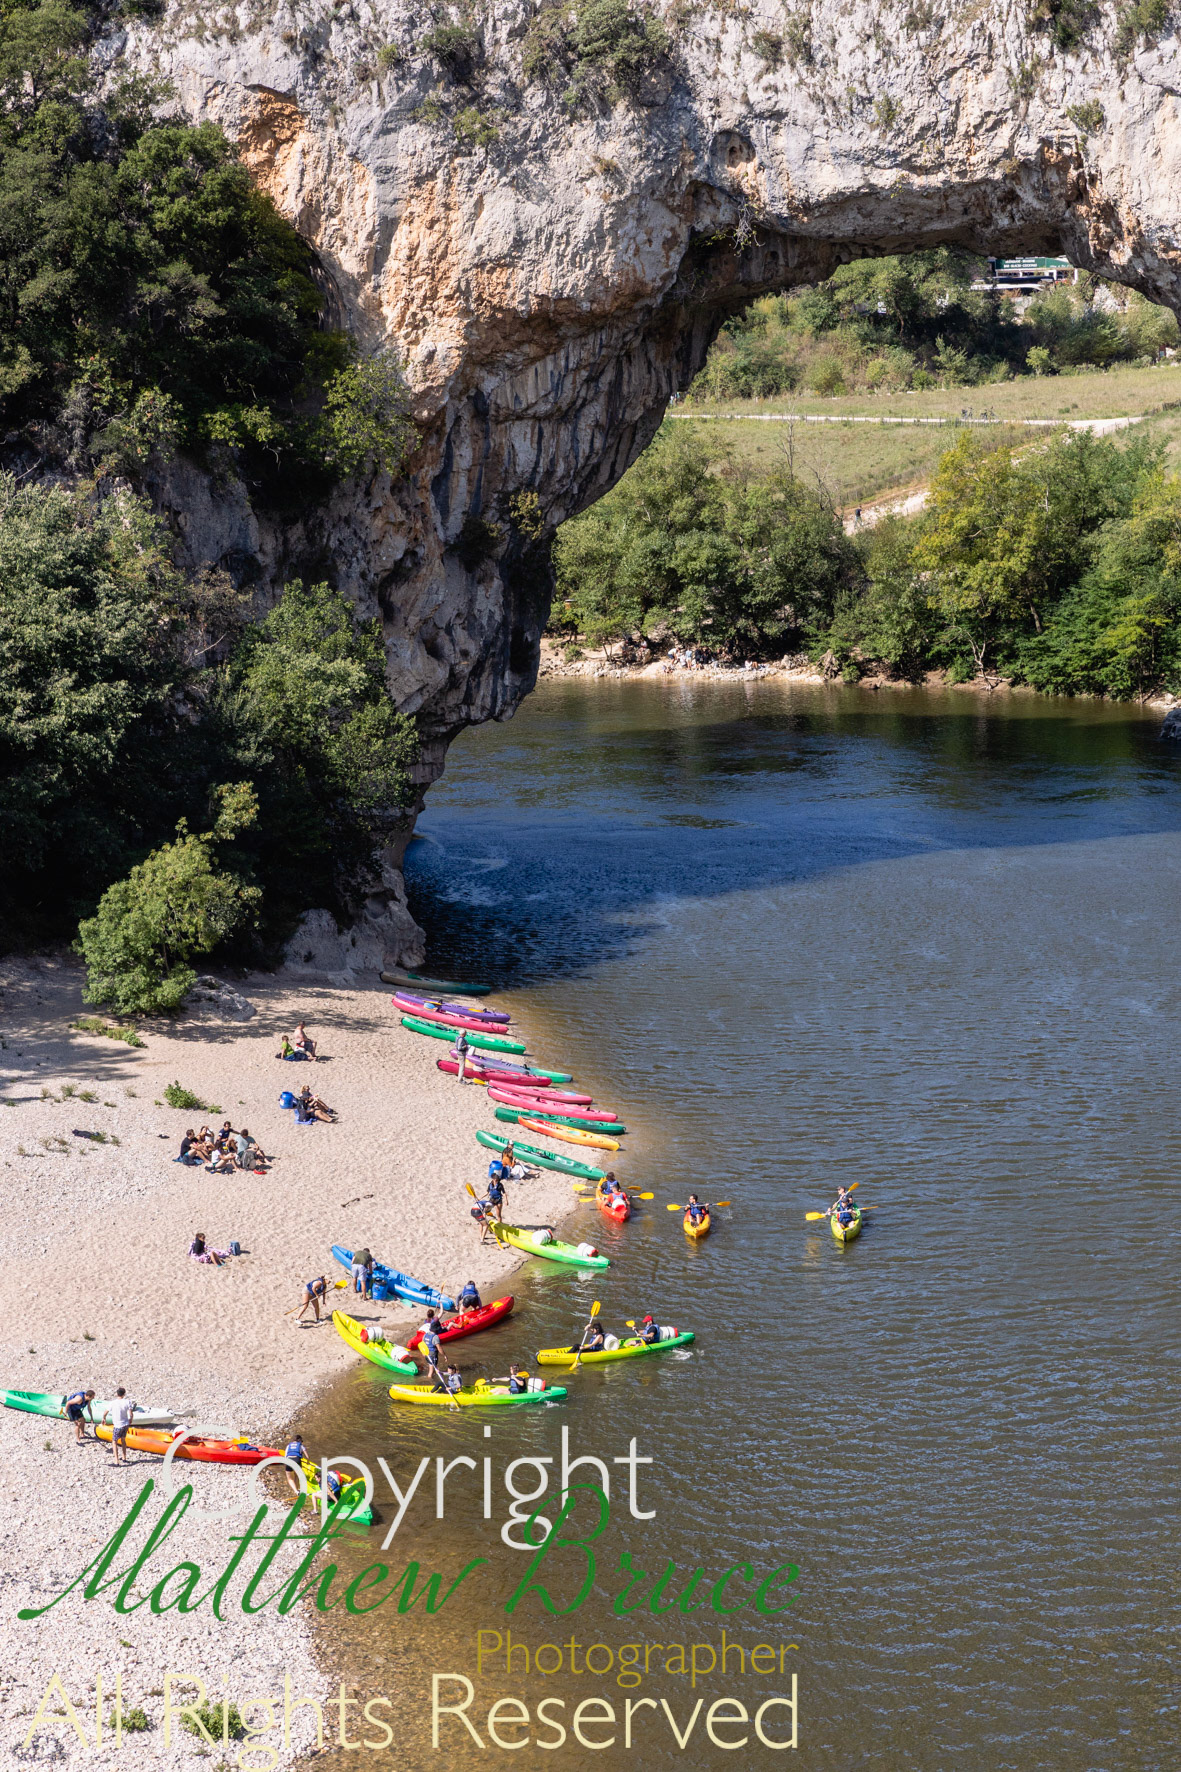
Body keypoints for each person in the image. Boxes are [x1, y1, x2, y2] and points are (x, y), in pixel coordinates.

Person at [109, 1388, 134, 1465]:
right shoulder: (127, 1402)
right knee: (123, 1440)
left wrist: (103, 1418)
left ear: (117, 1394)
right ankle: (124, 1457)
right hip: (125, 1424)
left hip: (118, 1425)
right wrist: (131, 1419)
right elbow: (131, 1414)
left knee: (114, 1442)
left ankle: (116, 1460)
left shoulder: (113, 1403)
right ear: (124, 1394)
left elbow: (106, 1411)